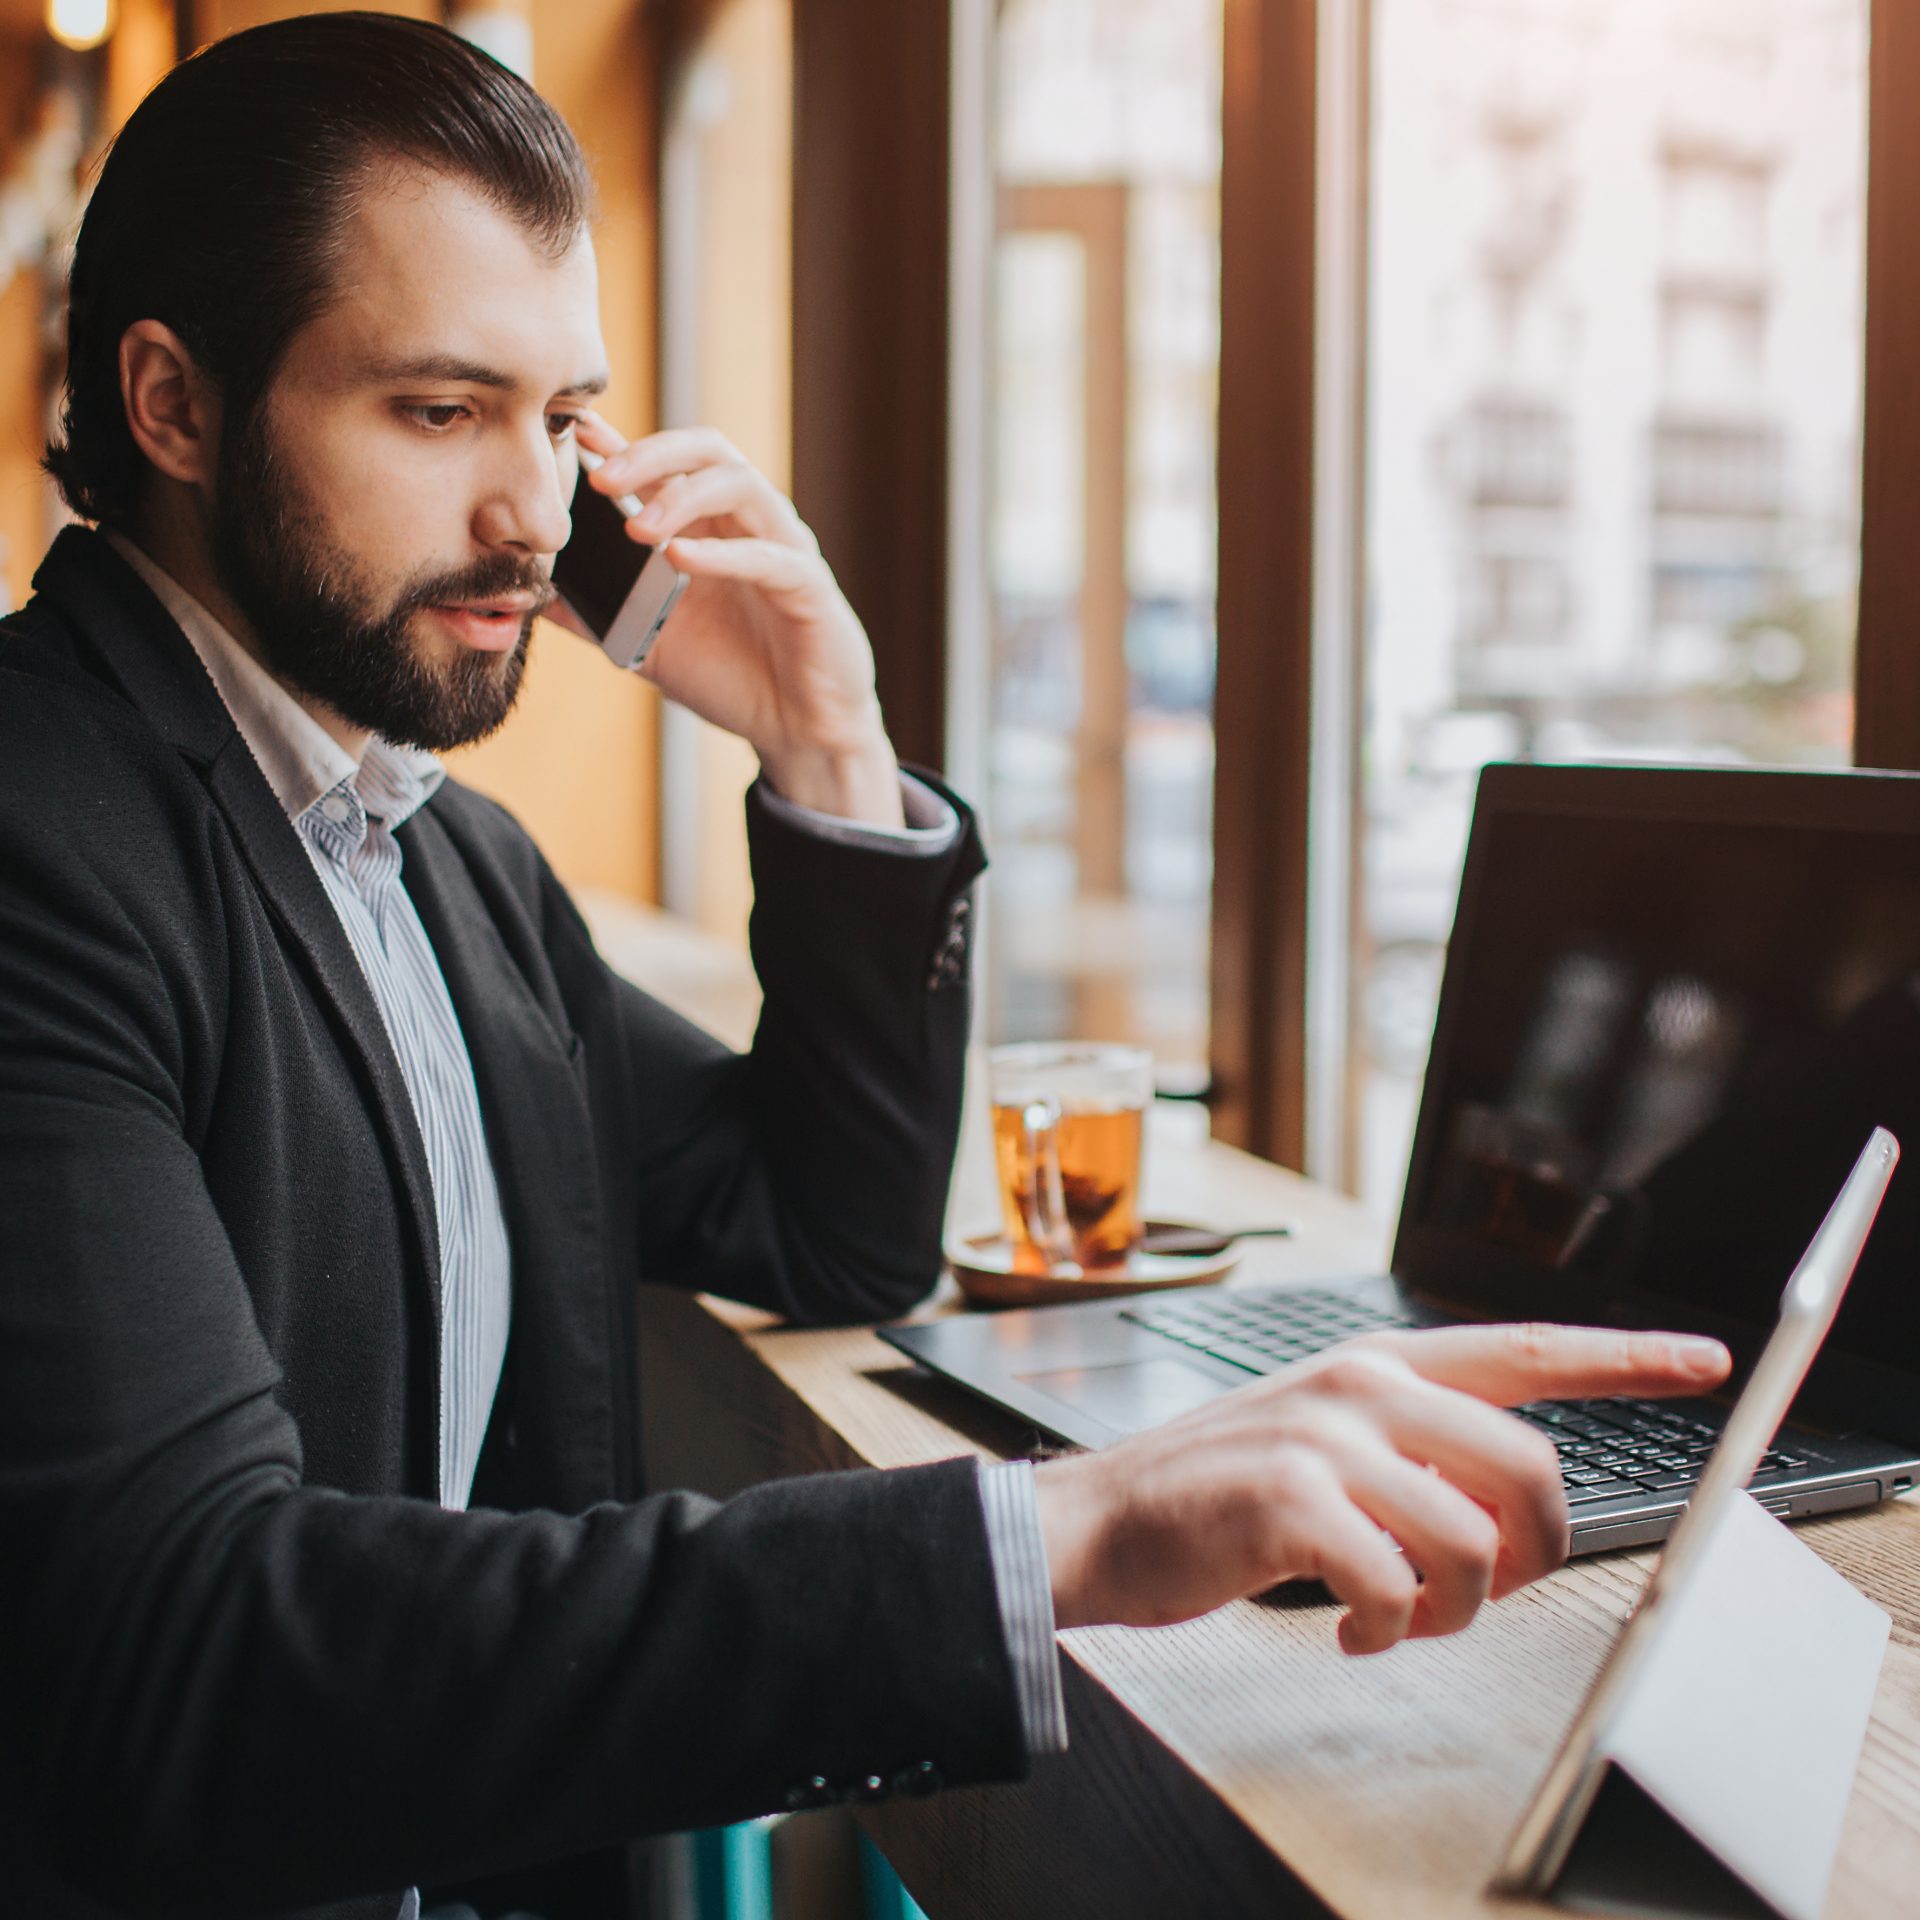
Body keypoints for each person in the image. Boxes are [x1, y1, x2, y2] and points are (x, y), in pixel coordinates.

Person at [0, 15, 1731, 1920]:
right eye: (436, 412)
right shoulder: (42, 835)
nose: (536, 514)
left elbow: (825, 1230)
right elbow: (186, 1657)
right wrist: (1081, 1521)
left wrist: (824, 739)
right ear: (171, 405)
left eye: (563, 420)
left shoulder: (440, 863)